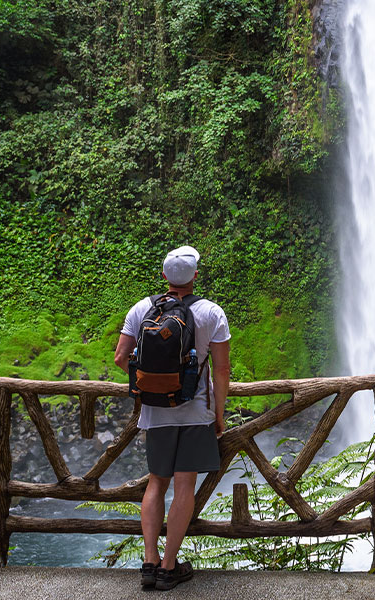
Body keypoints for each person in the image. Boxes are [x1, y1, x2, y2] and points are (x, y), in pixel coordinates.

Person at [114, 245, 231, 591]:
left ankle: (148, 563)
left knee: (156, 483)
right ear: (195, 276)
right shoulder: (212, 313)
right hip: (196, 413)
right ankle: (169, 566)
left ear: (164, 276)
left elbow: (122, 358)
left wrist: (149, 386)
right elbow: (222, 370)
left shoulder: (142, 309)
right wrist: (219, 415)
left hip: (155, 411)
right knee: (184, 485)